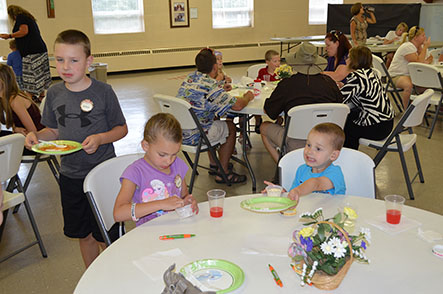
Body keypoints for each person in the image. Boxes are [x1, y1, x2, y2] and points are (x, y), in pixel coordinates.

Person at [24, 29, 128, 268]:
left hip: (101, 174)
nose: (65, 67)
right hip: (71, 176)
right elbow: (54, 131)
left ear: (89, 62)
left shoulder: (103, 92)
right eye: (59, 60)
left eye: (74, 60)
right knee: (83, 233)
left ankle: (115, 274)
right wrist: (36, 137)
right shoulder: (54, 93)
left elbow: (121, 129)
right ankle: (92, 275)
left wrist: (101, 138)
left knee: (107, 233)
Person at [177, 48, 254, 184]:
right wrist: (247, 96)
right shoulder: (210, 86)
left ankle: (214, 164)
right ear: (214, 67)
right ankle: (223, 173)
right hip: (196, 136)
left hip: (180, 134)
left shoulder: (190, 78)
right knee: (229, 126)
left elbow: (205, 95)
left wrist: (219, 90)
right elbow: (238, 106)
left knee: (214, 119)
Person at [260, 42, 343, 163]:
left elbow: (269, 111)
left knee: (264, 127)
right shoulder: (329, 83)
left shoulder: (287, 84)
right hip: (328, 142)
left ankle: (284, 167)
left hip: (296, 141)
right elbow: (340, 105)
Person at [114, 113, 198, 226]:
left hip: (175, 226)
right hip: (150, 233)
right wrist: (161, 204)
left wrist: (188, 202)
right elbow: (119, 213)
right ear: (145, 146)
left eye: (174, 154)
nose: (169, 161)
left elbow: (183, 196)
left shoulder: (177, 164)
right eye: (162, 155)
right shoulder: (134, 172)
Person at [265, 123, 346, 202]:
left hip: (332, 214)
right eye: (308, 145)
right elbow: (294, 195)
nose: (309, 152)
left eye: (318, 149)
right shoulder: (302, 170)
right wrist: (282, 193)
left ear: (333, 155)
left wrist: (298, 191)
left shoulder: (335, 173)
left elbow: (316, 183)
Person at [340, 46, 394, 150]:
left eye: (348, 57)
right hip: (386, 123)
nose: (346, 60)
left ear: (354, 60)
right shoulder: (371, 73)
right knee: (350, 117)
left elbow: (339, 98)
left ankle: (349, 157)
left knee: (345, 126)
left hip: (376, 127)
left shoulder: (357, 77)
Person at [0, 5, 51, 102]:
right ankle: (41, 96)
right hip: (38, 50)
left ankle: (30, 98)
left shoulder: (21, 18)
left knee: (31, 75)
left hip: (32, 52)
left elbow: (24, 31)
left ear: (12, 14)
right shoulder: (28, 18)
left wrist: (10, 35)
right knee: (39, 73)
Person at [0, 64, 44, 156]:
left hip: (36, 141)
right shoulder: (3, 98)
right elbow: (6, 125)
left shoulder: (15, 100)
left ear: (3, 81)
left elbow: (33, 131)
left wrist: (16, 131)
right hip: (23, 137)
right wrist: (15, 129)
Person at [389, 26, 433, 108]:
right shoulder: (408, 47)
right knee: (409, 85)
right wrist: (425, 48)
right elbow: (418, 62)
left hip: (410, 75)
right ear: (416, 38)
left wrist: (422, 50)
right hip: (396, 76)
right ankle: (407, 112)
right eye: (423, 35)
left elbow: (430, 57)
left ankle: (419, 109)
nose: (425, 37)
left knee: (426, 86)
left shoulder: (419, 47)